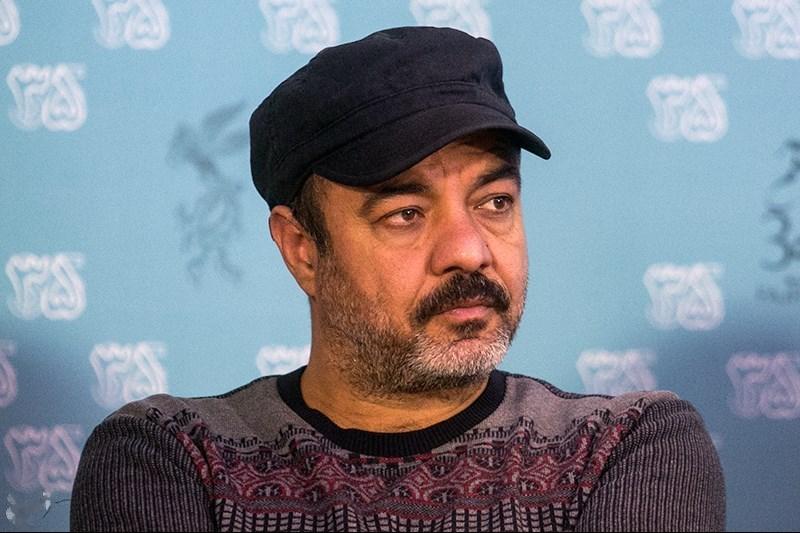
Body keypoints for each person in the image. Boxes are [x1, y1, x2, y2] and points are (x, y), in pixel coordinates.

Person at [70, 26, 725, 532]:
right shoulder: (173, 456)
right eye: (406, 213)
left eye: (495, 201)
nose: (469, 250)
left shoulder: (623, 446)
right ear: (302, 249)